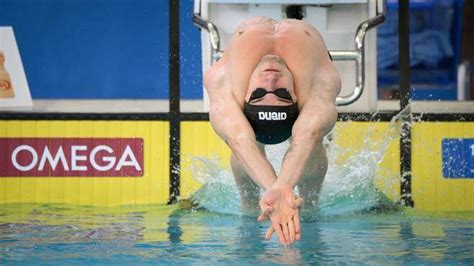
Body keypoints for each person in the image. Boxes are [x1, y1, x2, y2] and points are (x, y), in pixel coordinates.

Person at [203, 17, 341, 245]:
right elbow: (242, 139)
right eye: (281, 93)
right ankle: (250, 208)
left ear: (247, 96)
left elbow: (241, 138)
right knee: (301, 144)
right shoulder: (321, 83)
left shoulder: (223, 83)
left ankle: (308, 207)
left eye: (260, 93)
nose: (270, 80)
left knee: (303, 145)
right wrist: (280, 191)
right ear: (296, 99)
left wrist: (279, 190)